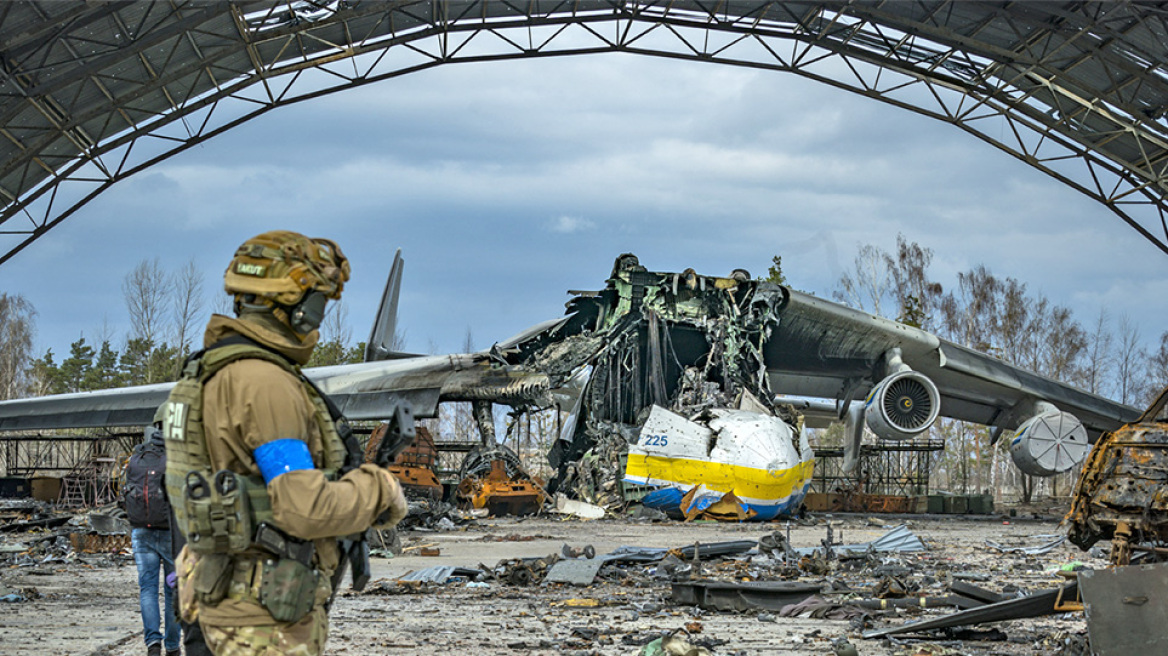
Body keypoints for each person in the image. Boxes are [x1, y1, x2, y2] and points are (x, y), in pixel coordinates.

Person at [160, 230, 408, 656]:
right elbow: (302, 507)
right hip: (261, 623)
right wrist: (379, 490)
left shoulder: (207, 374)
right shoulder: (265, 383)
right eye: (320, 303)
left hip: (221, 603)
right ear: (300, 308)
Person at [123, 426, 181, 656]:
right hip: (170, 534)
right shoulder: (176, 459)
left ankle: (152, 643)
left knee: (147, 589)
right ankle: (173, 646)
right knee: (173, 590)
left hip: (141, 532)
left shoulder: (137, 458)